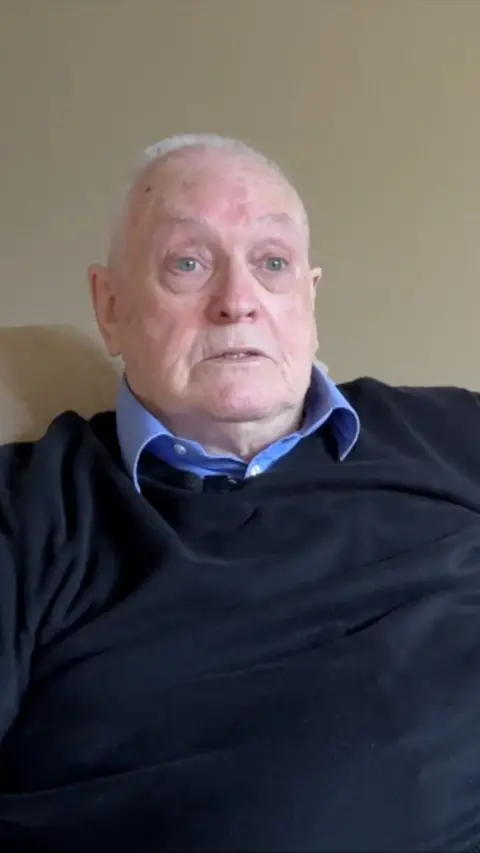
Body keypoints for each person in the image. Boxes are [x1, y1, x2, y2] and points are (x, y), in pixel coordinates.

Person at [0, 133, 479, 853]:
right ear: (110, 307)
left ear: (310, 299)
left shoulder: (455, 431)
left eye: (272, 263)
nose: (237, 302)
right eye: (188, 263)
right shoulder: (31, 511)